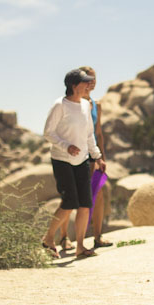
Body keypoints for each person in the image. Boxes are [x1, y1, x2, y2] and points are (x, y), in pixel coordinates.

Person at [41, 68, 106, 259]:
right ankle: (48, 239)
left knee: (85, 203)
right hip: (62, 160)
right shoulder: (59, 105)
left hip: (82, 160)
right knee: (69, 202)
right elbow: (48, 132)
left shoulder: (86, 106)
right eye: (85, 82)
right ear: (74, 85)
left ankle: (80, 246)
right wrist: (65, 146)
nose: (89, 85)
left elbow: (89, 135)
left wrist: (97, 156)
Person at [55, 65, 113, 250]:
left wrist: (100, 157)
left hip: (92, 154)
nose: (92, 82)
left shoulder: (96, 105)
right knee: (71, 197)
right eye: (88, 78)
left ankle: (97, 236)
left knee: (98, 193)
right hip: (73, 154)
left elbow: (98, 133)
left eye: (94, 78)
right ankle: (64, 237)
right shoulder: (69, 104)